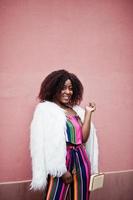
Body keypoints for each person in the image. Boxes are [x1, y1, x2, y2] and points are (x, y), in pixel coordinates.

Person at [30, 69, 98, 200]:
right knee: (55, 196)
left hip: (81, 159)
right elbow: (44, 143)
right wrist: (61, 170)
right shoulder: (46, 110)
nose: (68, 92)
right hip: (61, 160)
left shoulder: (77, 111)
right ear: (54, 88)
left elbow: (83, 139)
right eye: (63, 88)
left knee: (81, 196)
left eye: (70, 88)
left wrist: (88, 113)